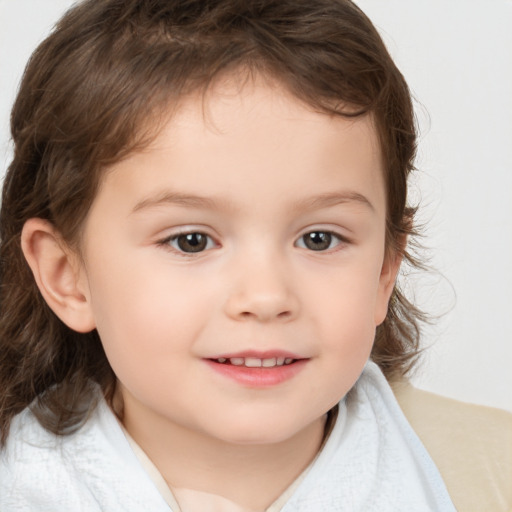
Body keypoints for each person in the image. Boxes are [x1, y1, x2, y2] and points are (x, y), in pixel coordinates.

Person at [0, 1, 509, 511]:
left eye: (319, 239)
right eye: (191, 240)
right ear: (67, 275)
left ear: (383, 271)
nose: (266, 297)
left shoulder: (493, 472)